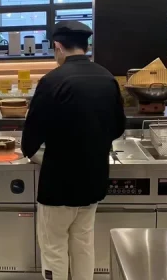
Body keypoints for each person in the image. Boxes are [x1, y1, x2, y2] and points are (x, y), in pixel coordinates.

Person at [21, 21, 126, 280]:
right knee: (83, 245)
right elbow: (118, 128)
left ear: (58, 47)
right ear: (85, 46)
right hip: (93, 183)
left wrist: (50, 159)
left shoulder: (51, 81)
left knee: (54, 249)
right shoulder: (107, 78)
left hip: (58, 187)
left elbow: (29, 143)